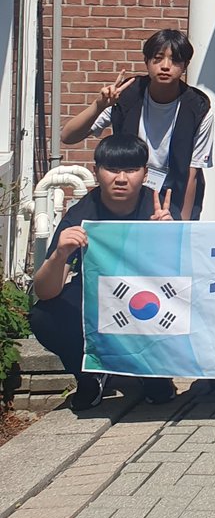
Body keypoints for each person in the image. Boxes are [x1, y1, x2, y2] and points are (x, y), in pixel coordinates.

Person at [29, 135, 174, 410]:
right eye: (112, 169)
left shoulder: (159, 209)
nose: (121, 178)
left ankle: (152, 370)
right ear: (96, 172)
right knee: (43, 316)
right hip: (98, 297)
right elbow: (45, 290)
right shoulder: (80, 213)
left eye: (131, 170)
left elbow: (185, 277)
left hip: (150, 296)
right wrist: (60, 255)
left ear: (145, 173)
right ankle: (90, 375)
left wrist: (169, 237)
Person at [61, 29, 213, 220]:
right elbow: (68, 137)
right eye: (158, 58)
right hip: (127, 192)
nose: (165, 66)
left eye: (175, 60)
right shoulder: (126, 95)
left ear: (185, 66)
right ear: (147, 62)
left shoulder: (198, 107)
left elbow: (193, 172)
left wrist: (182, 225)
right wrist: (99, 106)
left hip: (174, 194)